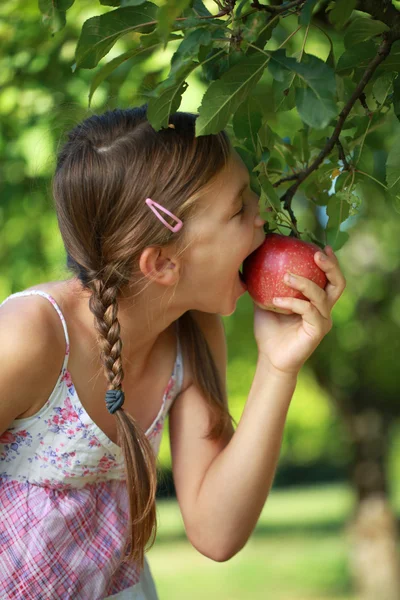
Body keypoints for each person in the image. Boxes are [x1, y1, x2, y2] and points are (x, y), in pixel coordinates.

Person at [0, 104, 346, 599]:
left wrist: (277, 365)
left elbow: (216, 531)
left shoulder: (193, 332)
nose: (262, 216)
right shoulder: (30, 338)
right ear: (162, 262)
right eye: (238, 210)